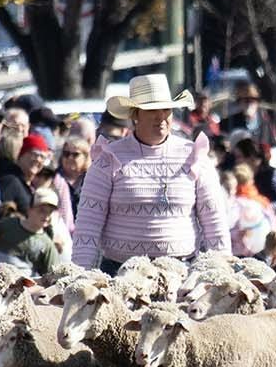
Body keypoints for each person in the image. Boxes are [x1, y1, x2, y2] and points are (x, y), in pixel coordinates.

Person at [72, 75, 229, 272]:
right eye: (152, 110)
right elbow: (88, 226)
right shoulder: (108, 158)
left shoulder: (194, 155)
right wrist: (80, 275)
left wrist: (222, 274)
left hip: (180, 273)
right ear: (135, 115)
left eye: (166, 110)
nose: (161, 117)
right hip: (121, 273)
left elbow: (215, 222)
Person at [234, 138, 276, 265]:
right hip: (251, 244)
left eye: (239, 157)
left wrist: (260, 209)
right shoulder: (243, 178)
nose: (236, 161)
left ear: (252, 157)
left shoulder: (274, 176)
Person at [0, 186, 62, 275]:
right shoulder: (7, 225)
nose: (46, 216)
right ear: (30, 210)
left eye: (50, 212)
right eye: (42, 210)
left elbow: (52, 277)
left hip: (21, 286)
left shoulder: (47, 245)